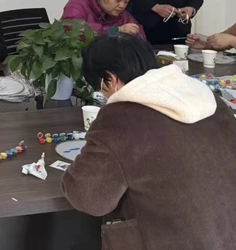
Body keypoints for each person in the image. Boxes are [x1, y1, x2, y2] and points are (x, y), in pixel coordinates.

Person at [62, 35, 236, 249]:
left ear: (111, 79)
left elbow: (89, 198)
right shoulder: (209, 98)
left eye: (99, 87)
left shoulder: (120, 117)